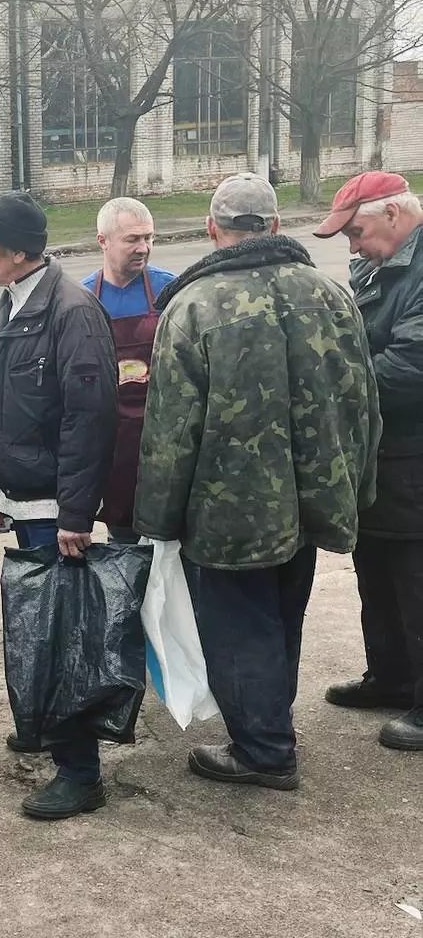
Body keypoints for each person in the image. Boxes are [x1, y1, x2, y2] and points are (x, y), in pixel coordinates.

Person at [135, 173, 380, 789]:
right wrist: (355, 489)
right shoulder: (330, 294)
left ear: (212, 228)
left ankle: (264, 750)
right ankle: (270, 724)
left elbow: (171, 429)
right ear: (273, 225)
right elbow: (364, 405)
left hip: (229, 513)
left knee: (240, 627)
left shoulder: (194, 307)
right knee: (282, 614)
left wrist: (157, 519)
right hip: (313, 499)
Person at [0, 191, 118, 820]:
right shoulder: (12, 305)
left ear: (16, 253)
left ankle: (79, 772)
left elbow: (90, 421)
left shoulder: (72, 313)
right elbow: (4, 410)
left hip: (56, 509)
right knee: (37, 627)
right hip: (24, 498)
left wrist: (75, 515)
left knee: (62, 637)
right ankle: (46, 726)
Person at [313, 171, 423, 751]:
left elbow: (409, 368)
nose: (352, 248)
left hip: (414, 453)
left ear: (393, 214)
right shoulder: (378, 266)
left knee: (416, 579)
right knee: (376, 572)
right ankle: (391, 676)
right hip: (380, 453)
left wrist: (328, 390)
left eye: (356, 233)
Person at [82, 197, 176, 539]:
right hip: (114, 445)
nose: (143, 248)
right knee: (122, 546)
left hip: (161, 438)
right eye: (132, 239)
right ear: (103, 241)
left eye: (148, 238)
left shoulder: (170, 290)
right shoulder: (84, 299)